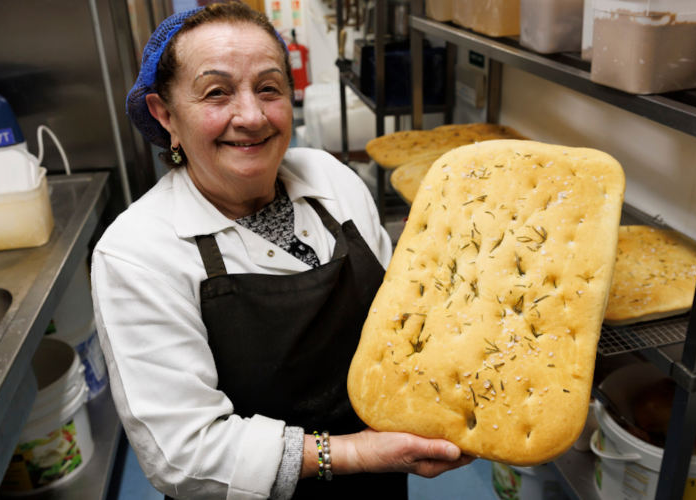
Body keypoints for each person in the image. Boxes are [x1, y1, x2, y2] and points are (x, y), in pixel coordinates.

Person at [92, 2, 473, 499]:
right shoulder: (138, 252)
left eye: (269, 88)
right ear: (165, 114)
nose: (251, 116)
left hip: (378, 479)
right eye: (216, 92)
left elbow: (398, 323)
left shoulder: (331, 177)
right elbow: (185, 455)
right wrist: (357, 452)